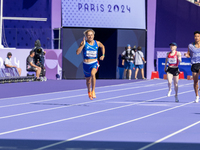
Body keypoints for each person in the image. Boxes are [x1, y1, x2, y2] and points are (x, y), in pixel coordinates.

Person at [76, 29, 105, 100]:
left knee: (93, 74)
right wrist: (82, 46)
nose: (90, 36)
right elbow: (77, 52)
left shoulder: (97, 43)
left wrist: (103, 55)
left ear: (93, 35)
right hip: (86, 64)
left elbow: (103, 47)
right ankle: (89, 90)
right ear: (86, 36)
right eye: (88, 35)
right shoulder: (84, 43)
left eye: (91, 35)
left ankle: (93, 90)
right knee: (88, 80)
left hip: (94, 63)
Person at [184, 31, 200, 103]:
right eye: (195, 36)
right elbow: (189, 54)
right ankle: (197, 96)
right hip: (194, 64)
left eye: (198, 36)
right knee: (195, 82)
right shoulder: (190, 45)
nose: (196, 37)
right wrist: (187, 55)